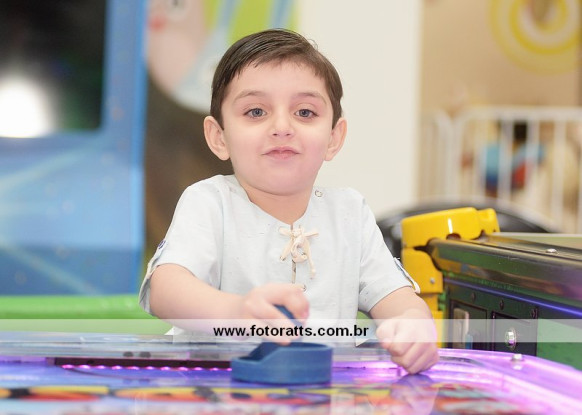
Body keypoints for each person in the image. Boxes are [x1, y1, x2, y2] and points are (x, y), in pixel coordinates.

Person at [139, 28, 439, 374]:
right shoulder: (209, 203)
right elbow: (165, 289)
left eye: (305, 112)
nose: (282, 127)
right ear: (219, 137)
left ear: (333, 137)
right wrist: (235, 312)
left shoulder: (349, 213)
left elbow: (397, 298)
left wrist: (414, 324)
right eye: (256, 111)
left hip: (322, 392)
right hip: (216, 389)